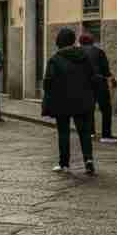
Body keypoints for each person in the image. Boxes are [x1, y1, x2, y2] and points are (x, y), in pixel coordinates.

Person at [42, 27, 97, 175]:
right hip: (83, 100)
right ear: (73, 40)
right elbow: (93, 77)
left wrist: (49, 100)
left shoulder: (55, 59)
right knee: (85, 132)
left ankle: (64, 164)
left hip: (62, 101)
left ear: (59, 41)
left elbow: (48, 82)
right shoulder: (84, 57)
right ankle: (88, 160)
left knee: (63, 132)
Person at [79, 33, 117, 143]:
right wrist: (112, 79)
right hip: (99, 83)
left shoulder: (77, 52)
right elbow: (105, 70)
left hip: (84, 84)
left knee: (88, 108)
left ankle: (90, 132)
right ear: (92, 41)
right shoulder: (99, 52)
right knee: (106, 109)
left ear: (80, 42)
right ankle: (106, 135)